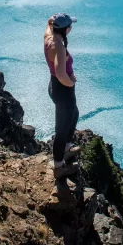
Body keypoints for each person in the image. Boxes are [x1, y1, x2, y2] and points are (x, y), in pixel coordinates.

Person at [44, 13, 80, 179]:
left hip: (55, 87)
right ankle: (59, 166)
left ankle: (66, 148)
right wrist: (71, 82)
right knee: (62, 128)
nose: (71, 27)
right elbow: (60, 73)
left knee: (74, 114)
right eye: (70, 25)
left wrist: (53, 19)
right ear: (66, 29)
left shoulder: (49, 36)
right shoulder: (58, 46)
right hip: (63, 90)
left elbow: (48, 23)